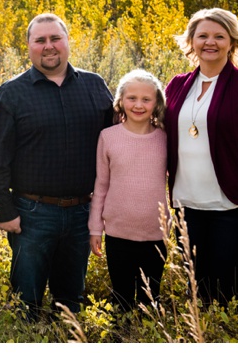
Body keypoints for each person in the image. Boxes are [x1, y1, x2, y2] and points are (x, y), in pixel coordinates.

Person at [0, 13, 114, 319]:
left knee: (70, 303)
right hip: (32, 213)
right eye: (40, 40)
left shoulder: (94, 86)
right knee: (25, 300)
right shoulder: (12, 92)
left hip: (82, 211)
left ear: (67, 41)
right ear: (28, 46)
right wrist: (5, 209)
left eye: (55, 38)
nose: (49, 46)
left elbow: (117, 141)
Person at [165, 8, 238, 311]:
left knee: (228, 290)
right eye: (203, 35)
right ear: (191, 41)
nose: (210, 42)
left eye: (219, 36)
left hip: (234, 206)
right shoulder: (177, 85)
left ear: (232, 42)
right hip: (186, 206)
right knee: (200, 289)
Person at [89, 69, 169, 312]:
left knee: (149, 298)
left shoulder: (165, 138)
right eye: (131, 98)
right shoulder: (108, 137)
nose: (138, 105)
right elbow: (101, 185)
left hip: (155, 233)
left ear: (157, 103)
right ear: (120, 101)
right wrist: (95, 228)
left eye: (146, 99)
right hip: (118, 233)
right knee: (122, 296)